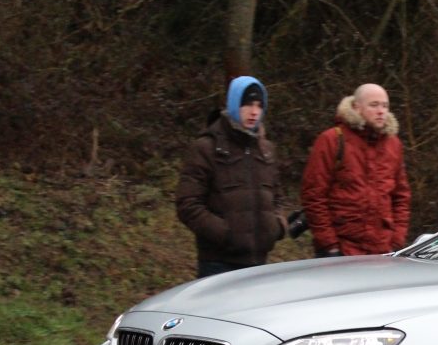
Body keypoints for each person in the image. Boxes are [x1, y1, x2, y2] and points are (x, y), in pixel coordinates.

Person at [176, 76, 287, 278]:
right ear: (234, 104)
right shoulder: (206, 148)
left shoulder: (266, 150)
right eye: (247, 104)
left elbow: (277, 196)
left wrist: (276, 226)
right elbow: (188, 204)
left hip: (258, 262)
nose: (254, 112)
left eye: (259, 105)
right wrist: (225, 234)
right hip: (218, 263)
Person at [301, 83, 411, 256]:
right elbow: (314, 195)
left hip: (382, 251)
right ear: (356, 107)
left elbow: (401, 197)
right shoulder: (332, 140)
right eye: (374, 105)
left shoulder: (393, 145)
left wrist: (396, 240)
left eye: (385, 106)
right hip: (342, 249)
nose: (381, 111)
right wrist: (329, 244)